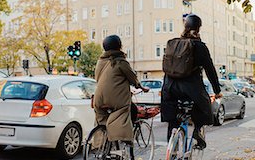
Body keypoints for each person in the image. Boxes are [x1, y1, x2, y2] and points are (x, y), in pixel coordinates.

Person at [161, 14, 223, 149]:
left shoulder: (172, 43)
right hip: (190, 89)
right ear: (198, 28)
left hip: (169, 88)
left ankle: (171, 147)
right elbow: (210, 69)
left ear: (185, 26)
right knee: (204, 105)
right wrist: (217, 91)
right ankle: (198, 131)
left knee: (172, 119)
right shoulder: (199, 46)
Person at [93, 35, 148, 144]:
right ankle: (124, 138)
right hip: (115, 99)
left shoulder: (100, 61)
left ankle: (102, 145)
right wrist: (141, 87)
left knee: (101, 119)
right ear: (119, 47)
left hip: (98, 98)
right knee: (129, 110)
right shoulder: (120, 61)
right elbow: (133, 79)